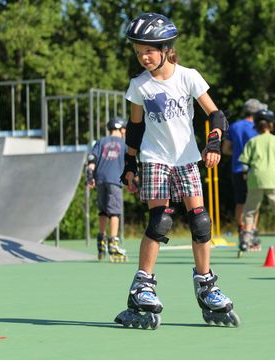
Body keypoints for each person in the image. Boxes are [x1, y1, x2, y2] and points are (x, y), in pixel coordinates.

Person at [114, 12, 239, 329]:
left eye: (149, 50)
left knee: (200, 221)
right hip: (155, 158)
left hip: (186, 158)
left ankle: (207, 286)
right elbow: (135, 128)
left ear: (166, 48)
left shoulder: (188, 77)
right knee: (160, 220)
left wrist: (213, 143)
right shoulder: (139, 86)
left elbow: (216, 114)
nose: (143, 56)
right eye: (138, 50)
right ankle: (143, 285)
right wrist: (129, 165)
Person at [237, 109, 275, 258]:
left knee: (250, 210)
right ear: (271, 124)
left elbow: (244, 165)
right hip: (274, 179)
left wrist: (245, 178)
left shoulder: (252, 142)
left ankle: (245, 241)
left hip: (255, 179)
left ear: (256, 125)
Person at [222, 98, 266, 249]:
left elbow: (225, 149)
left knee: (240, 202)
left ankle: (242, 232)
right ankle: (252, 233)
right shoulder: (258, 128)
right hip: (254, 170)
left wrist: (238, 154)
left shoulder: (234, 126)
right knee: (254, 203)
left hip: (237, 170)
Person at [86, 116, 128, 262]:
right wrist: (133, 181)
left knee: (103, 211)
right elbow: (129, 163)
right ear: (122, 129)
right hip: (114, 180)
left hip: (101, 180)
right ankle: (113, 243)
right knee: (115, 212)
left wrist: (90, 177)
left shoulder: (101, 141)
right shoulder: (124, 143)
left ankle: (101, 239)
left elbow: (92, 160)